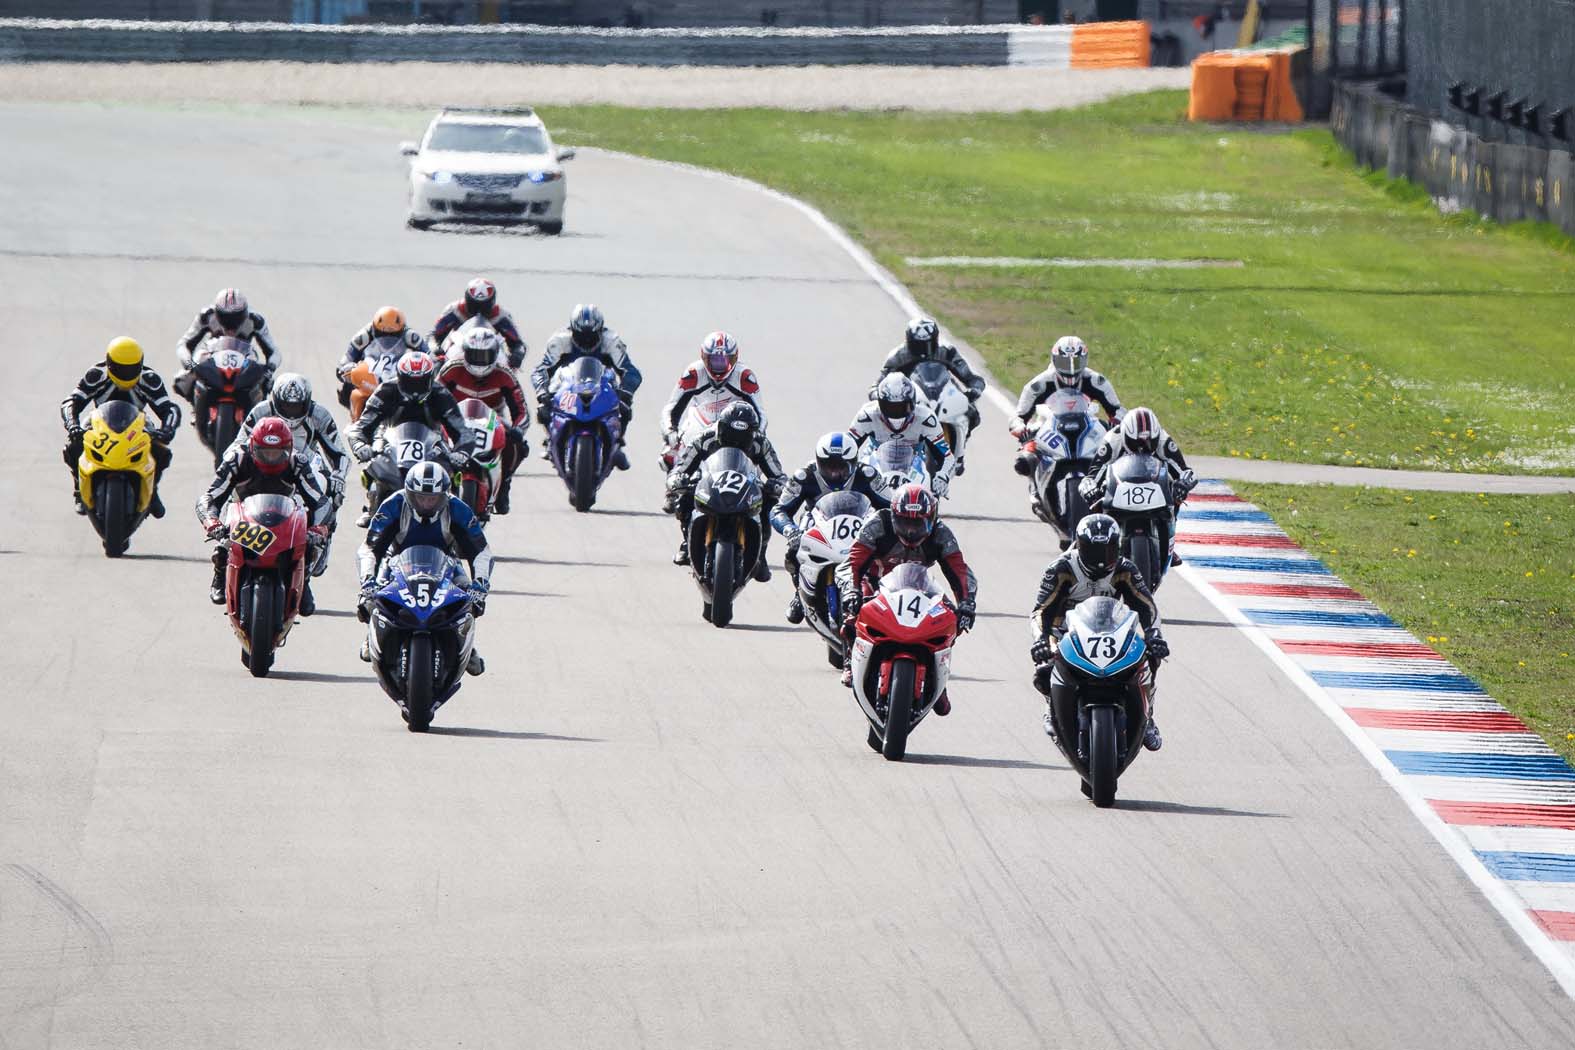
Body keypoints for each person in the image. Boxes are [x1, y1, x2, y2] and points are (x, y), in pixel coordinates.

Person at [1028, 513, 1168, 751]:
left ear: (1118, 547)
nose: (1102, 560)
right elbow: (1041, 611)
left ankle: (1147, 712)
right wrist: (1041, 639)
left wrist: (1154, 635)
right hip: (1065, 632)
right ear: (1080, 547)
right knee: (1043, 667)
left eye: (1108, 551)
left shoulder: (1126, 568)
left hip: (1110, 628)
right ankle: (1051, 706)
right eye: (1094, 552)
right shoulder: (1061, 568)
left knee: (1150, 655)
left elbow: (1146, 607)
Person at [835, 483, 976, 707]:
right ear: (893, 516)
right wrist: (851, 590)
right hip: (874, 582)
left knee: (952, 618)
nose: (910, 530)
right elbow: (852, 562)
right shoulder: (878, 524)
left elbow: (959, 569)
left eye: (917, 523)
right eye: (904, 522)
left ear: (931, 518)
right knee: (852, 606)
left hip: (918, 586)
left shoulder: (941, 534)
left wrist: (967, 603)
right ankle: (849, 662)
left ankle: (938, 679)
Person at [357, 460, 494, 675]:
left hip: (447, 562)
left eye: (433, 498)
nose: (427, 503)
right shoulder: (394, 504)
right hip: (396, 560)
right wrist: (367, 581)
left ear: (444, 495)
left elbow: (481, 552)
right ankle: (373, 632)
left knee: (468, 598)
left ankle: (465, 645)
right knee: (370, 599)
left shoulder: (457, 508)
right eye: (421, 497)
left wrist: (480, 586)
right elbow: (369, 549)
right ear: (410, 493)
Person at [196, 417, 330, 614]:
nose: (271, 457)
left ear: (289, 449)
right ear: (253, 447)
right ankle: (220, 570)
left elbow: (320, 501)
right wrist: (212, 522)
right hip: (243, 515)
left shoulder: (297, 462)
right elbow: (210, 496)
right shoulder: (237, 459)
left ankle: (304, 580)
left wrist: (318, 528)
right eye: (265, 452)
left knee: (308, 544)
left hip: (283, 514)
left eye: (277, 453)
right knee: (222, 546)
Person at [771, 431, 889, 625]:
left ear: (853, 463)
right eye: (828, 466)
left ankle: (881, 590)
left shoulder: (868, 475)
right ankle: (798, 594)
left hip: (859, 527)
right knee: (794, 549)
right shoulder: (804, 475)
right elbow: (779, 509)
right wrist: (790, 530)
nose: (835, 473)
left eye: (841, 467)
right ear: (818, 462)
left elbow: (889, 506)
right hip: (818, 526)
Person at [235, 372, 349, 571]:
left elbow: (340, 453)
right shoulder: (261, 411)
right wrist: (234, 462)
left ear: (307, 402)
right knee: (235, 487)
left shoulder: (319, 415)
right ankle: (228, 547)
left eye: (297, 406)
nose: (292, 412)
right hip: (265, 463)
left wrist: (339, 476)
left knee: (331, 490)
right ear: (277, 400)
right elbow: (237, 445)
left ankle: (322, 537)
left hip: (307, 463)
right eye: (287, 406)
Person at [346, 351, 475, 526]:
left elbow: (463, 432)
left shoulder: (441, 394)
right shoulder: (386, 391)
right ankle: (374, 508)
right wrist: (360, 445)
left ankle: (456, 521)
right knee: (373, 466)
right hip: (389, 440)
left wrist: (461, 453)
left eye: (421, 383)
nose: (415, 389)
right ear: (399, 378)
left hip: (432, 442)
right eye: (409, 382)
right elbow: (361, 426)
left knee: (453, 472)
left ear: (430, 379)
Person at [61, 336, 181, 518]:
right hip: (99, 423)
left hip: (137, 425)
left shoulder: (149, 378)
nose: (126, 373)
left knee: (162, 452)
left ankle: (152, 489)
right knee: (72, 446)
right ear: (109, 363)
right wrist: (73, 425)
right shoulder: (96, 374)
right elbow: (71, 402)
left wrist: (167, 430)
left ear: (140, 364)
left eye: (132, 368)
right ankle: (79, 488)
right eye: (120, 368)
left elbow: (169, 408)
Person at [664, 401, 785, 579]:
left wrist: (776, 486)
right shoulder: (705, 438)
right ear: (721, 428)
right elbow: (682, 465)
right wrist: (677, 478)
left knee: (770, 502)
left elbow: (778, 475)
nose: (735, 441)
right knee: (684, 496)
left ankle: (760, 554)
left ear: (751, 434)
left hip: (746, 486)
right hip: (710, 483)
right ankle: (686, 542)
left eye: (742, 438)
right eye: (730, 435)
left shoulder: (761, 444)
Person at [1078, 406, 1197, 566]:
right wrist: (1090, 488)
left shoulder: (1163, 439)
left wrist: (1183, 484)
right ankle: (1090, 542)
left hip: (1155, 486)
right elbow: (1092, 475)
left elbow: (1186, 471)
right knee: (1094, 498)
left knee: (1176, 490)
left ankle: (1168, 540)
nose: (1142, 448)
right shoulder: (1112, 440)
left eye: (1149, 444)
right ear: (1125, 435)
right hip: (1119, 487)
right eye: (1136, 444)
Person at [530, 304, 642, 470]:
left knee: (624, 407)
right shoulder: (560, 340)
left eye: (591, 336)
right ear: (573, 330)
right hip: (567, 384)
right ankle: (551, 440)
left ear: (600, 330)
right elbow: (540, 371)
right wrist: (542, 394)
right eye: (581, 336)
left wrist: (625, 393)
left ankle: (617, 443)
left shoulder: (611, 341)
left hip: (602, 383)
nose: (586, 340)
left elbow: (631, 372)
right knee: (544, 408)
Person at [872, 316, 985, 472]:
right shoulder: (898, 355)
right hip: (909, 395)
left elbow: (971, 377)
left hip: (942, 390)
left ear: (936, 340)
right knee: (888, 416)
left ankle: (960, 451)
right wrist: (877, 395)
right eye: (918, 346)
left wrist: (974, 390)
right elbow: (879, 383)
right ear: (909, 342)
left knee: (972, 414)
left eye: (928, 345)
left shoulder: (947, 352)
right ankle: (890, 452)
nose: (923, 351)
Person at [437, 328, 530, 514]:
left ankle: (504, 484)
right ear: (465, 352)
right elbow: (434, 397)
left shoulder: (505, 375)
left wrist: (518, 429)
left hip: (492, 420)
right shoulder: (452, 369)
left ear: (495, 354)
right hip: (456, 418)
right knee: (431, 443)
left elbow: (521, 411)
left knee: (519, 445)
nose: (479, 361)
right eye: (474, 354)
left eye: (485, 355)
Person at [660, 331, 766, 464]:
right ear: (704, 357)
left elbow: (760, 414)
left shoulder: (744, 377)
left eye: (724, 361)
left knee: (759, 459)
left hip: (733, 430)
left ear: (734, 358)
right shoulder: (693, 373)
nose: (719, 366)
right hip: (699, 426)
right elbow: (671, 407)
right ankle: (678, 482)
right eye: (714, 360)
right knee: (668, 458)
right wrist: (670, 432)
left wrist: (758, 435)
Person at [849, 373, 955, 498]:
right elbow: (848, 447)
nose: (895, 414)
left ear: (913, 402)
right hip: (874, 460)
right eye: (889, 407)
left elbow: (947, 457)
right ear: (880, 403)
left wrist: (943, 476)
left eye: (901, 407)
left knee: (931, 496)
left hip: (914, 466)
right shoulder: (867, 415)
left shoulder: (926, 419)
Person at [173, 288, 282, 403]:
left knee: (266, 382)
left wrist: (268, 370)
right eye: (225, 317)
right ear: (217, 312)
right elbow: (184, 344)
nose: (231, 324)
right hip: (212, 358)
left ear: (244, 313)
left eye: (236, 317)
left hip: (245, 360)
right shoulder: (206, 316)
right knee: (184, 378)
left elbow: (274, 351)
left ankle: (255, 412)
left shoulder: (256, 320)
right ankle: (197, 406)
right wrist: (190, 365)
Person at [1009, 336, 1122, 442]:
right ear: (1054, 360)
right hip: (1047, 432)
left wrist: (1117, 423)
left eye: (1076, 363)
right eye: (1064, 363)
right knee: (1026, 456)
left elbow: (1118, 410)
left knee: (1115, 449)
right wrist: (1020, 428)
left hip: (1087, 430)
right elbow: (1019, 415)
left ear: (1085, 360)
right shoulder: (1039, 384)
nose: (1071, 369)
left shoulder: (1096, 381)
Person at [338, 306, 429, 408]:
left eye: (393, 334)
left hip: (398, 372)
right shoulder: (364, 335)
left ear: (402, 330)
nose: (387, 339)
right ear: (375, 329)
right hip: (370, 373)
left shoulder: (410, 335)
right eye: (382, 334)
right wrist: (346, 367)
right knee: (346, 387)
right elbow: (348, 357)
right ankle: (355, 419)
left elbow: (428, 354)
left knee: (424, 392)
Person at [429, 277, 528, 370]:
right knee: (436, 366)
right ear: (467, 300)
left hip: (491, 358)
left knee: (512, 376)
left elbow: (518, 344)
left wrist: (517, 355)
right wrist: (436, 350)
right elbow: (433, 336)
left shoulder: (501, 315)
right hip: (457, 353)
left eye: (483, 306)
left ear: (492, 302)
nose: (479, 311)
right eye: (475, 306)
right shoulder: (454, 310)